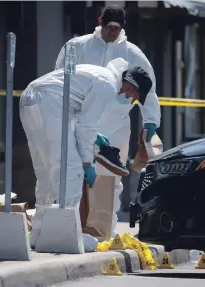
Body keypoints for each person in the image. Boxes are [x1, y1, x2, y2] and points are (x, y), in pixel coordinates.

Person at [19, 58, 153, 249]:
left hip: (30, 98)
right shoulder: (107, 86)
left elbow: (72, 112)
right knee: (71, 172)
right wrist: (87, 164)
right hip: (49, 104)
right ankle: (66, 235)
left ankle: (39, 232)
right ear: (131, 86)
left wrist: (94, 137)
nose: (132, 99)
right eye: (136, 95)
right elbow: (85, 127)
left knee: (46, 172)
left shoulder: (99, 75)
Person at [54, 4, 161, 236]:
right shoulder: (77, 47)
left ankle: (103, 229)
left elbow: (148, 88)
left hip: (115, 127)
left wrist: (150, 119)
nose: (112, 32)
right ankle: (70, 226)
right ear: (100, 22)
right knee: (73, 172)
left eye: (117, 28)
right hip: (80, 120)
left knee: (110, 179)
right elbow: (61, 79)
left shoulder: (132, 53)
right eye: (109, 26)